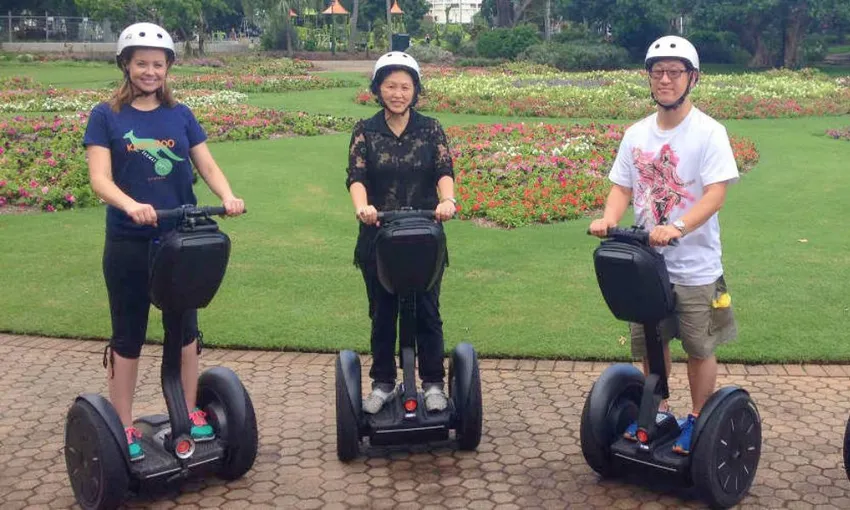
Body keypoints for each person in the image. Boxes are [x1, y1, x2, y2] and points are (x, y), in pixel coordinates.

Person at [83, 22, 245, 461]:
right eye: (141, 64)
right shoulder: (106, 116)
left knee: (185, 329)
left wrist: (227, 196)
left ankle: (189, 411)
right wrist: (130, 204)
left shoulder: (181, 114)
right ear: (126, 65)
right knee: (129, 332)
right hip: (130, 241)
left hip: (180, 239)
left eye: (158, 64)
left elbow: (206, 166)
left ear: (168, 67)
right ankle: (122, 424)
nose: (150, 72)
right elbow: (99, 178)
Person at [589, 35, 739, 455]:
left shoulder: (709, 132)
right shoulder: (636, 133)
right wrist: (609, 219)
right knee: (653, 343)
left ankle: (697, 420)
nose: (666, 80)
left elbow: (715, 194)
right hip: (646, 264)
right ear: (649, 79)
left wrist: (677, 226)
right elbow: (621, 186)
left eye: (675, 72)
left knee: (697, 345)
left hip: (695, 265)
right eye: (658, 72)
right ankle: (659, 413)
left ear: (692, 78)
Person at [345, 52, 457, 415]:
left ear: (415, 90)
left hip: (425, 235)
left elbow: (443, 169)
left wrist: (448, 200)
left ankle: (434, 384)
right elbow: (357, 177)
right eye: (390, 86)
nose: (398, 93)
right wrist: (363, 208)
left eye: (405, 86)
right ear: (378, 88)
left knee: (427, 310)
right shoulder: (365, 130)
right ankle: (382, 383)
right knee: (382, 312)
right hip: (379, 237)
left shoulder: (430, 128)